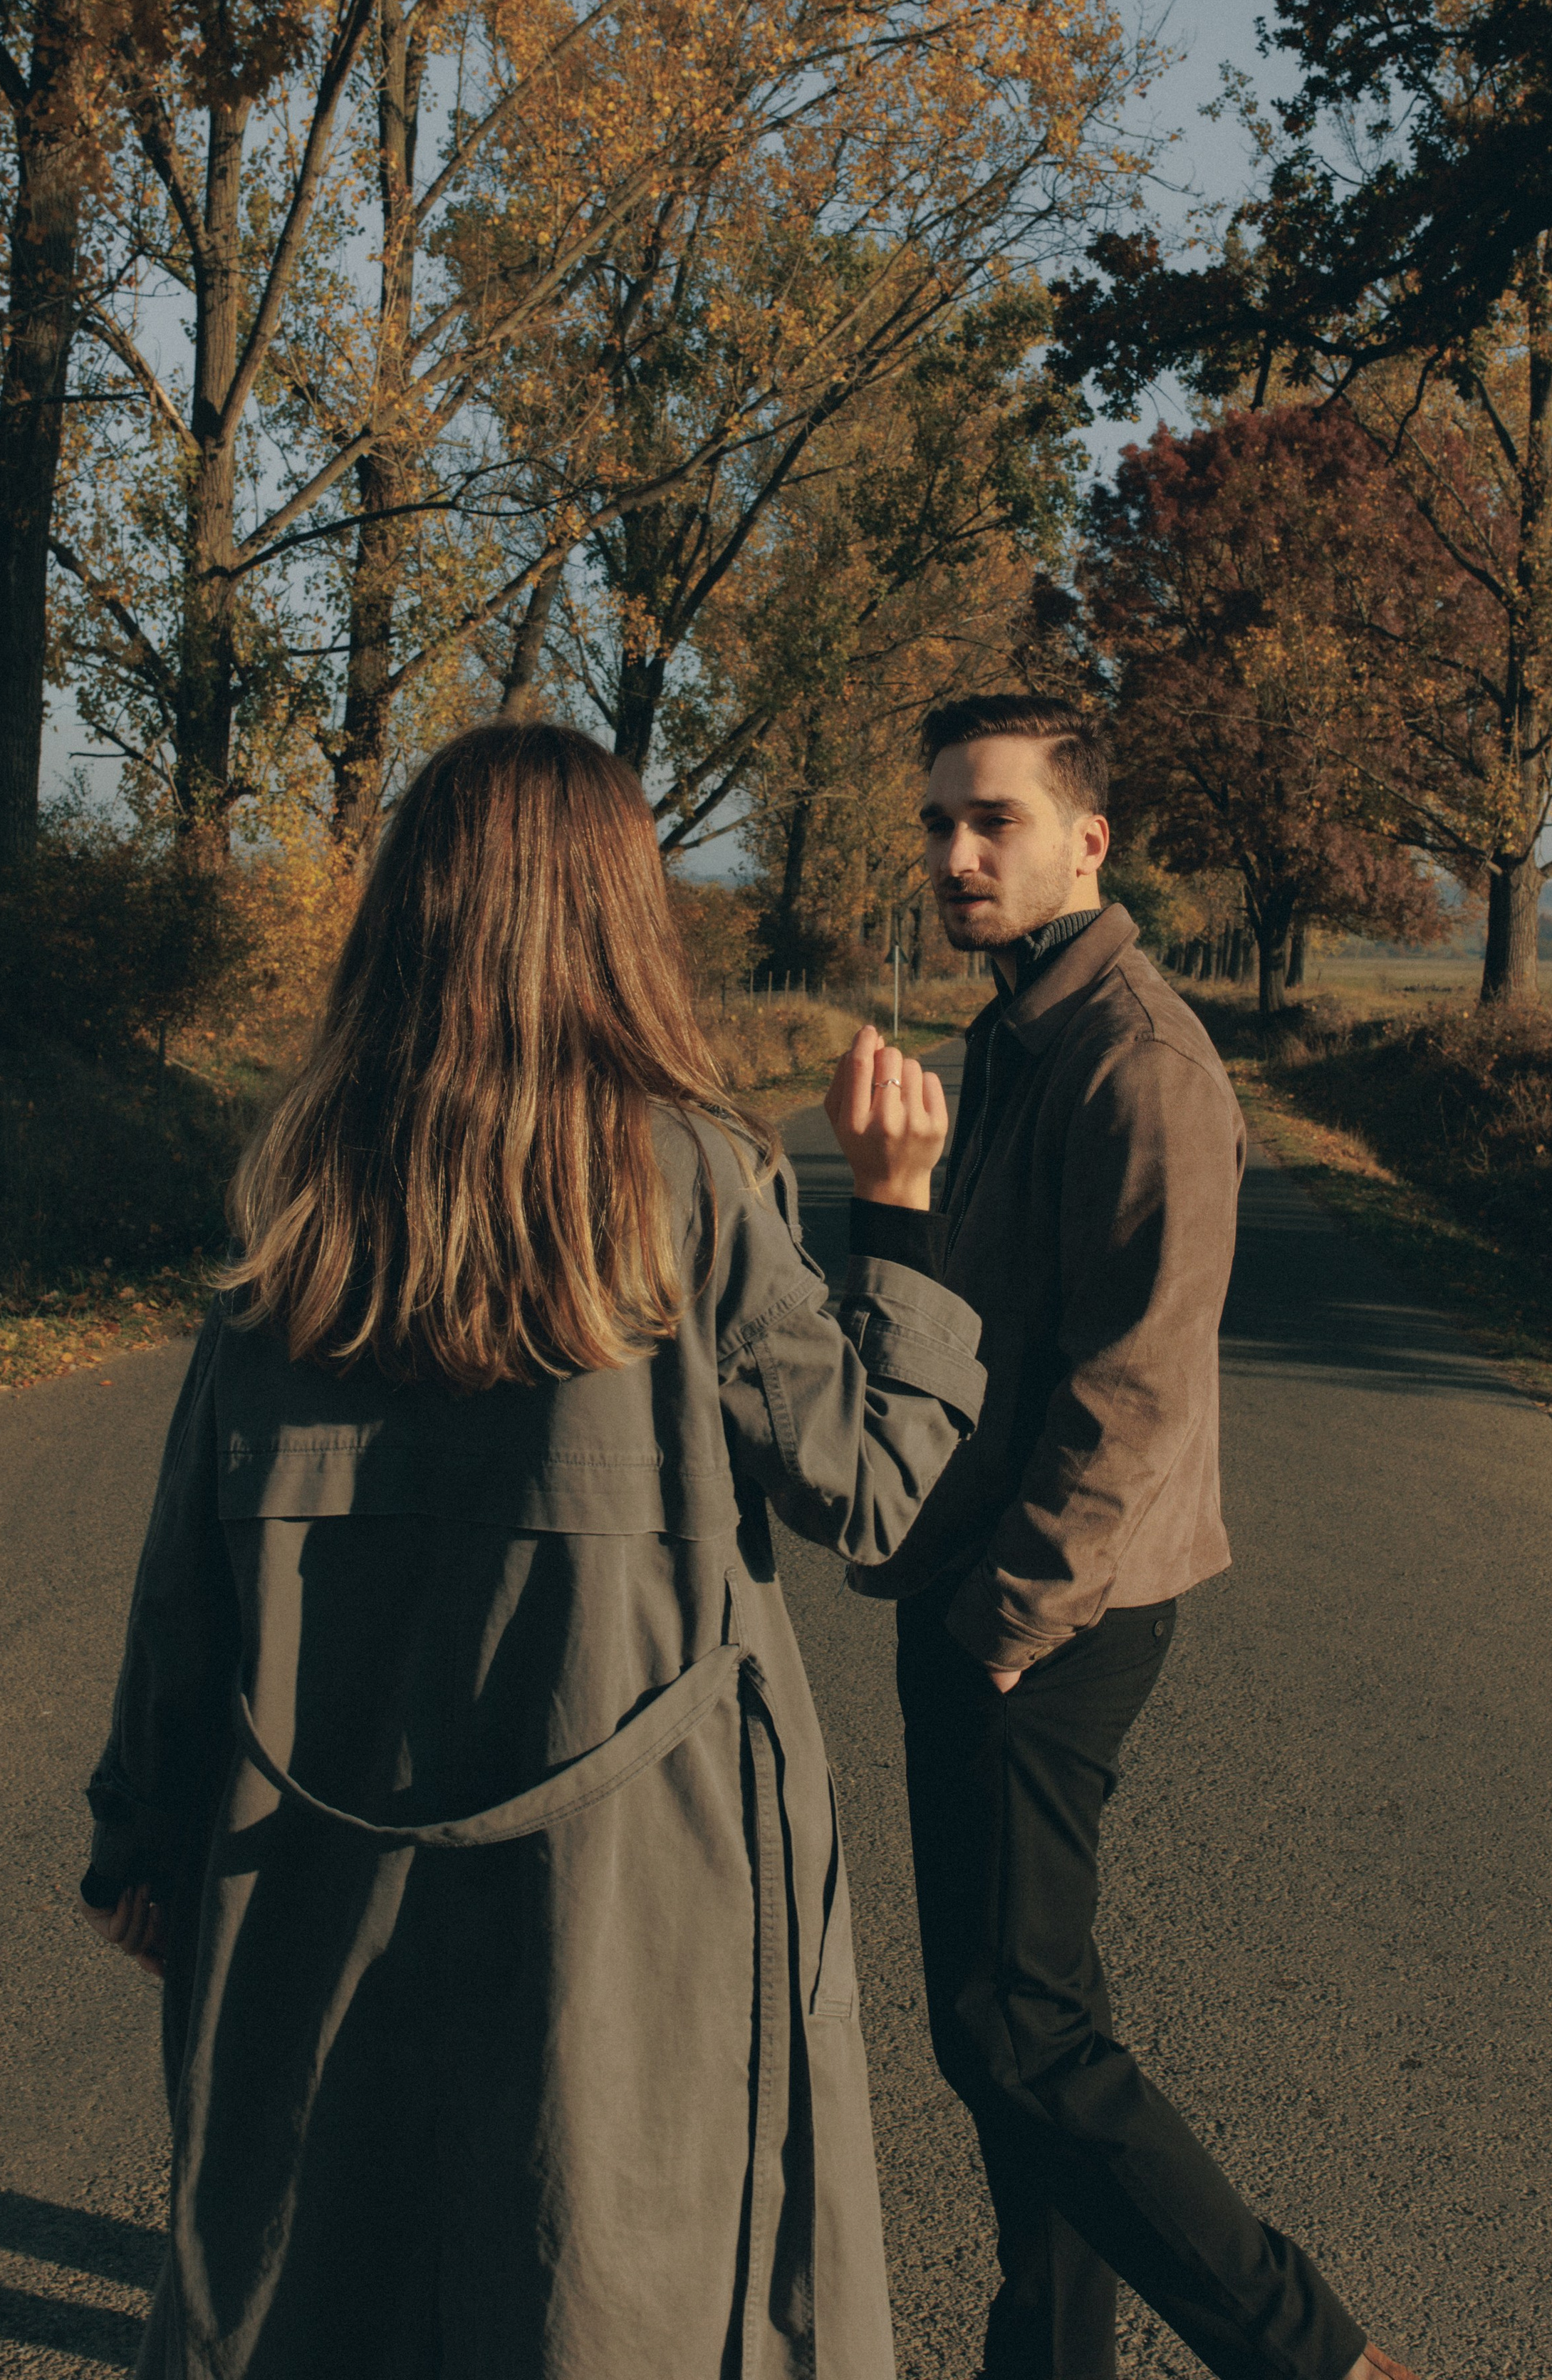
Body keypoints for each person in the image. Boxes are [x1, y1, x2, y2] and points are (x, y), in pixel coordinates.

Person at [76, 720, 988, 2380]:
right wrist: (901, 1217)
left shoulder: (302, 1185)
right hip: (636, 1861)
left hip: (314, 1839)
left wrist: (142, 1828)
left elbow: (185, 1559)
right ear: (620, 919)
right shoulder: (701, 1183)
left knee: (331, 2254)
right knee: (612, 2250)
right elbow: (874, 1492)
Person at [848, 695, 1422, 2380]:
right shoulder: (1014, 1034)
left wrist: (1014, 1611)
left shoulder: (1136, 1059)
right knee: (1017, 2025)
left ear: (1084, 842)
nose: (955, 853)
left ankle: (1313, 2358)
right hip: (976, 1578)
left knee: (1010, 2024)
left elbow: (1142, 1386)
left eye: (993, 822)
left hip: (1048, 1603)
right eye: (940, 820)